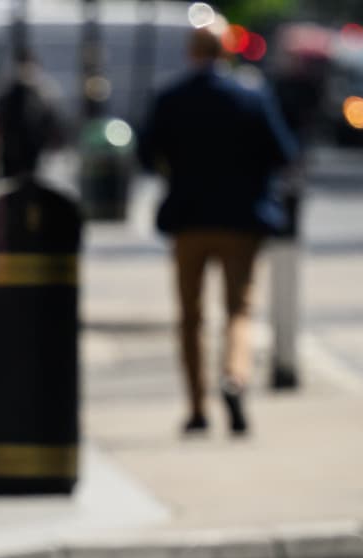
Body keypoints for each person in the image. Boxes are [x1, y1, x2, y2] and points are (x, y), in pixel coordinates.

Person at [139, 23, 299, 437]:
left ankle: (196, 407)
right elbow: (284, 152)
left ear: (192, 53)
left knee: (190, 318)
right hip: (242, 221)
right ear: (226, 53)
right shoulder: (251, 96)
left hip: (188, 220)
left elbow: (145, 155)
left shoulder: (171, 98)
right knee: (239, 311)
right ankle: (234, 377)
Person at [0, 47, 64, 181]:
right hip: (12, 153)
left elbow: (54, 122)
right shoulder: (7, 91)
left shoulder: (44, 91)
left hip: (37, 152)